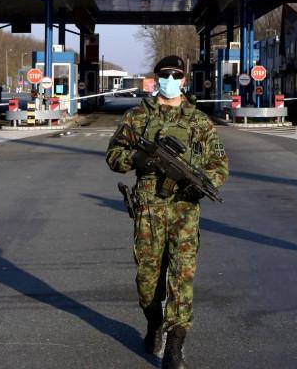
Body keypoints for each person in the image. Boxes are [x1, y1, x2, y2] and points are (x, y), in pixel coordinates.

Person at [106, 55, 229, 368]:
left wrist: (202, 185)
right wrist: (137, 160)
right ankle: (153, 321)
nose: (170, 80)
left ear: (184, 80)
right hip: (148, 210)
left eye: (176, 75)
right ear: (156, 77)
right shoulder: (137, 116)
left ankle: (175, 344)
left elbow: (219, 165)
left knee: (181, 277)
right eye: (165, 75)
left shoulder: (199, 121)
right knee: (148, 281)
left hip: (185, 211)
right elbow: (113, 156)